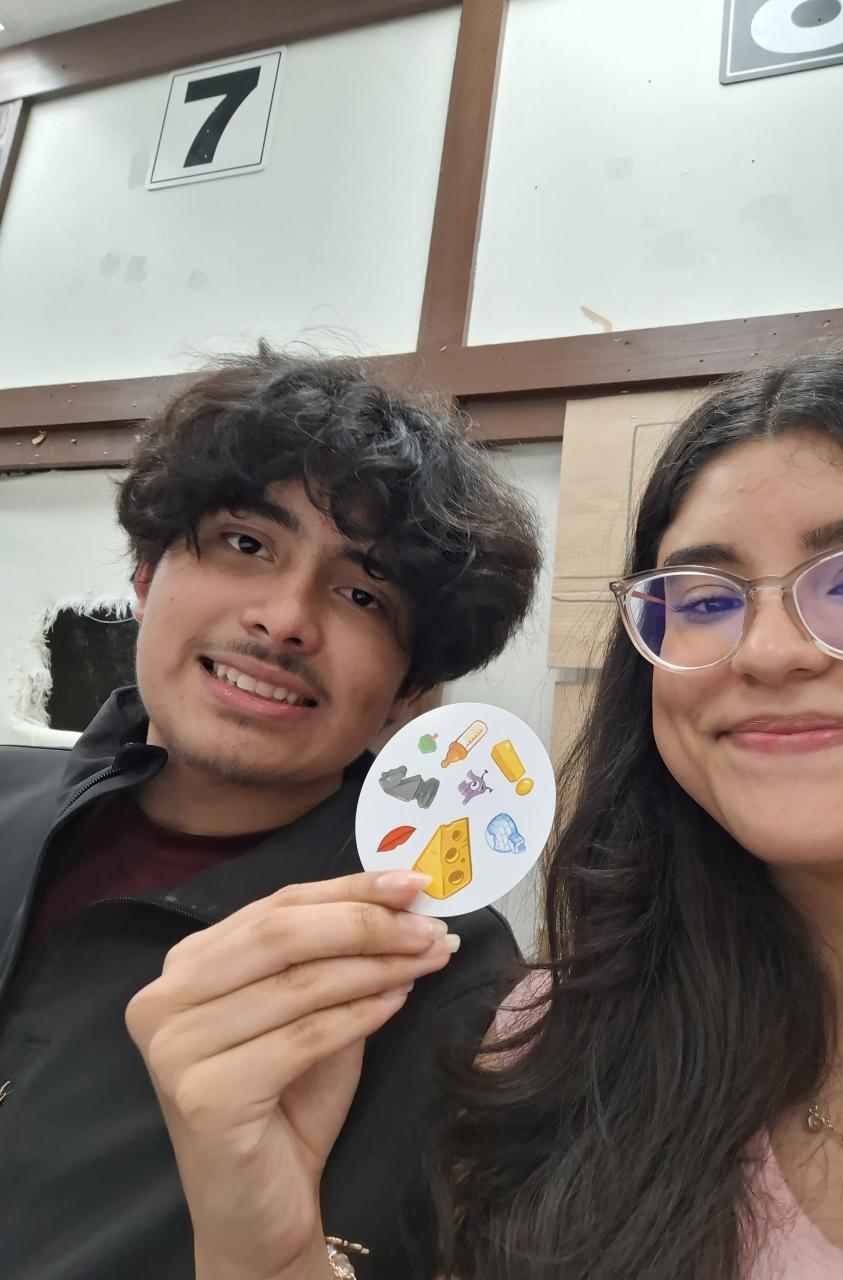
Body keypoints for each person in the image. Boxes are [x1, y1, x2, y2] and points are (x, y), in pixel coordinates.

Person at [146, 340, 843, 1280]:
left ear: (415, 686)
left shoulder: (467, 998)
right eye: (702, 598)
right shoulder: (550, 1043)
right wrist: (268, 1254)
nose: (768, 653)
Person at [0, 344, 540, 1280]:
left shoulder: (459, 986)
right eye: (247, 544)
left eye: (363, 593)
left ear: (409, 690)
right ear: (145, 576)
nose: (286, 619)